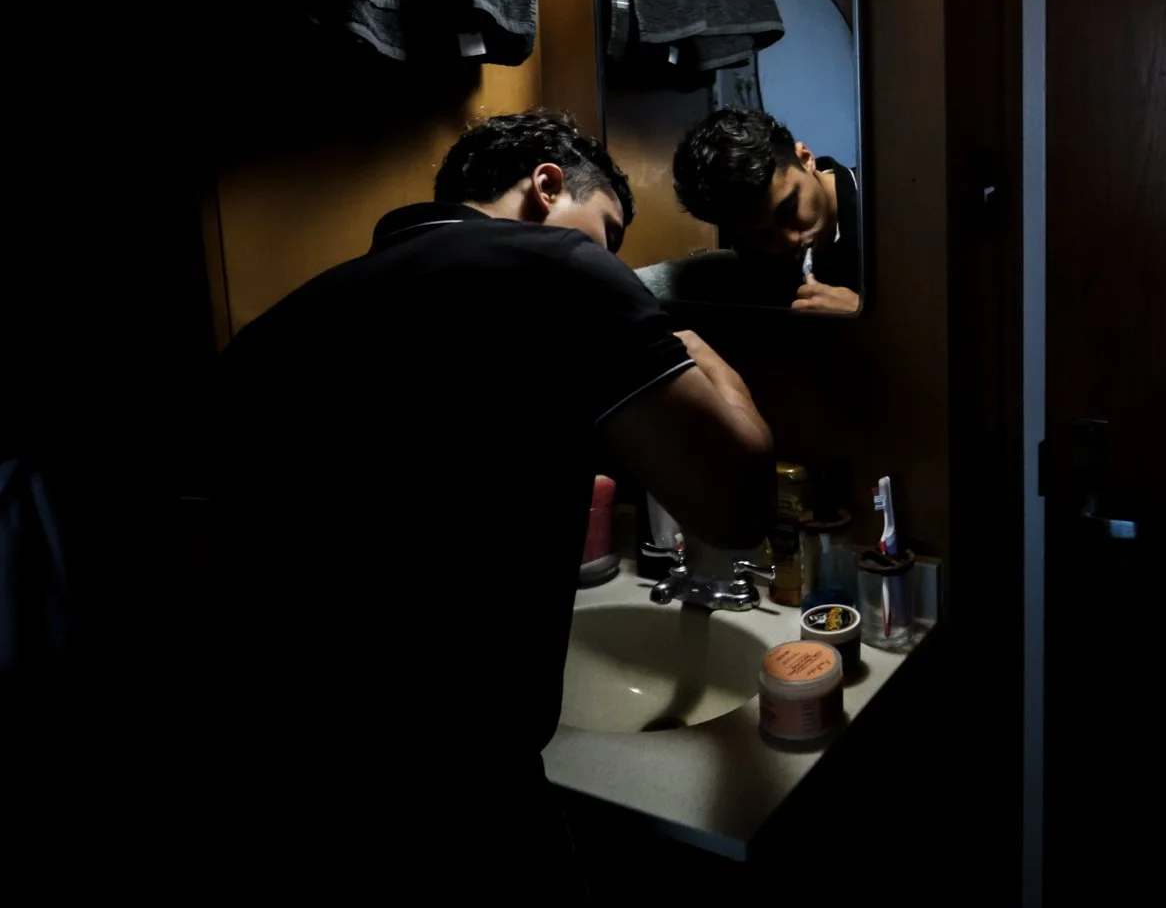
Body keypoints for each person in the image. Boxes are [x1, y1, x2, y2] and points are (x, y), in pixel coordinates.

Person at [194, 110, 774, 901]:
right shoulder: (560, 269)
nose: (611, 262)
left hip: (262, 797)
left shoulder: (283, 325)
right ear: (546, 185)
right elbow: (738, 505)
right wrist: (693, 349)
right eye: (608, 232)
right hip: (458, 813)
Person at [671, 108, 863, 314]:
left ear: (805, 159)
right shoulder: (756, 261)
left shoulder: (891, 202)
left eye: (789, 210)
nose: (790, 240)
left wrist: (868, 313)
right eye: (763, 235)